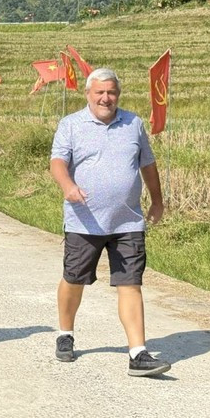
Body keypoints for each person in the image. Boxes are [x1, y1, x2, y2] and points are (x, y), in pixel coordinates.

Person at [49, 67, 170, 377]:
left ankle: (138, 353)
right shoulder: (71, 125)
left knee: (131, 283)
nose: (106, 98)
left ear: (118, 95)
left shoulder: (134, 124)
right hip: (84, 222)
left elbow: (148, 164)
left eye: (111, 92)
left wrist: (157, 201)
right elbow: (58, 163)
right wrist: (68, 187)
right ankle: (65, 333)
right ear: (88, 94)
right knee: (74, 278)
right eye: (100, 92)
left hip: (127, 221)